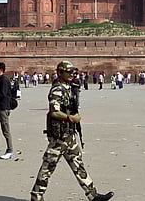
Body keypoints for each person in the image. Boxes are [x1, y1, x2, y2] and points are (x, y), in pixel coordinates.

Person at [30, 61, 114, 201]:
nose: (71, 75)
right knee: (48, 167)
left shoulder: (68, 87)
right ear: (60, 73)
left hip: (69, 135)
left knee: (78, 164)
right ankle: (36, 196)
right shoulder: (57, 90)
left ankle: (92, 194)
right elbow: (54, 112)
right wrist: (71, 118)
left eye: (72, 72)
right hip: (59, 137)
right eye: (68, 72)